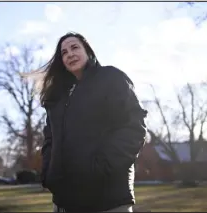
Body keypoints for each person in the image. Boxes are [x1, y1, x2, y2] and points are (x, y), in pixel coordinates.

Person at [38, 32, 148, 212]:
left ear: (88, 51)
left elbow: (134, 125)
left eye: (75, 47)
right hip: (64, 201)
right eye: (64, 52)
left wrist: (103, 167)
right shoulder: (57, 97)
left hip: (107, 199)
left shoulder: (111, 78)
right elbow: (49, 140)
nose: (70, 54)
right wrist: (48, 173)